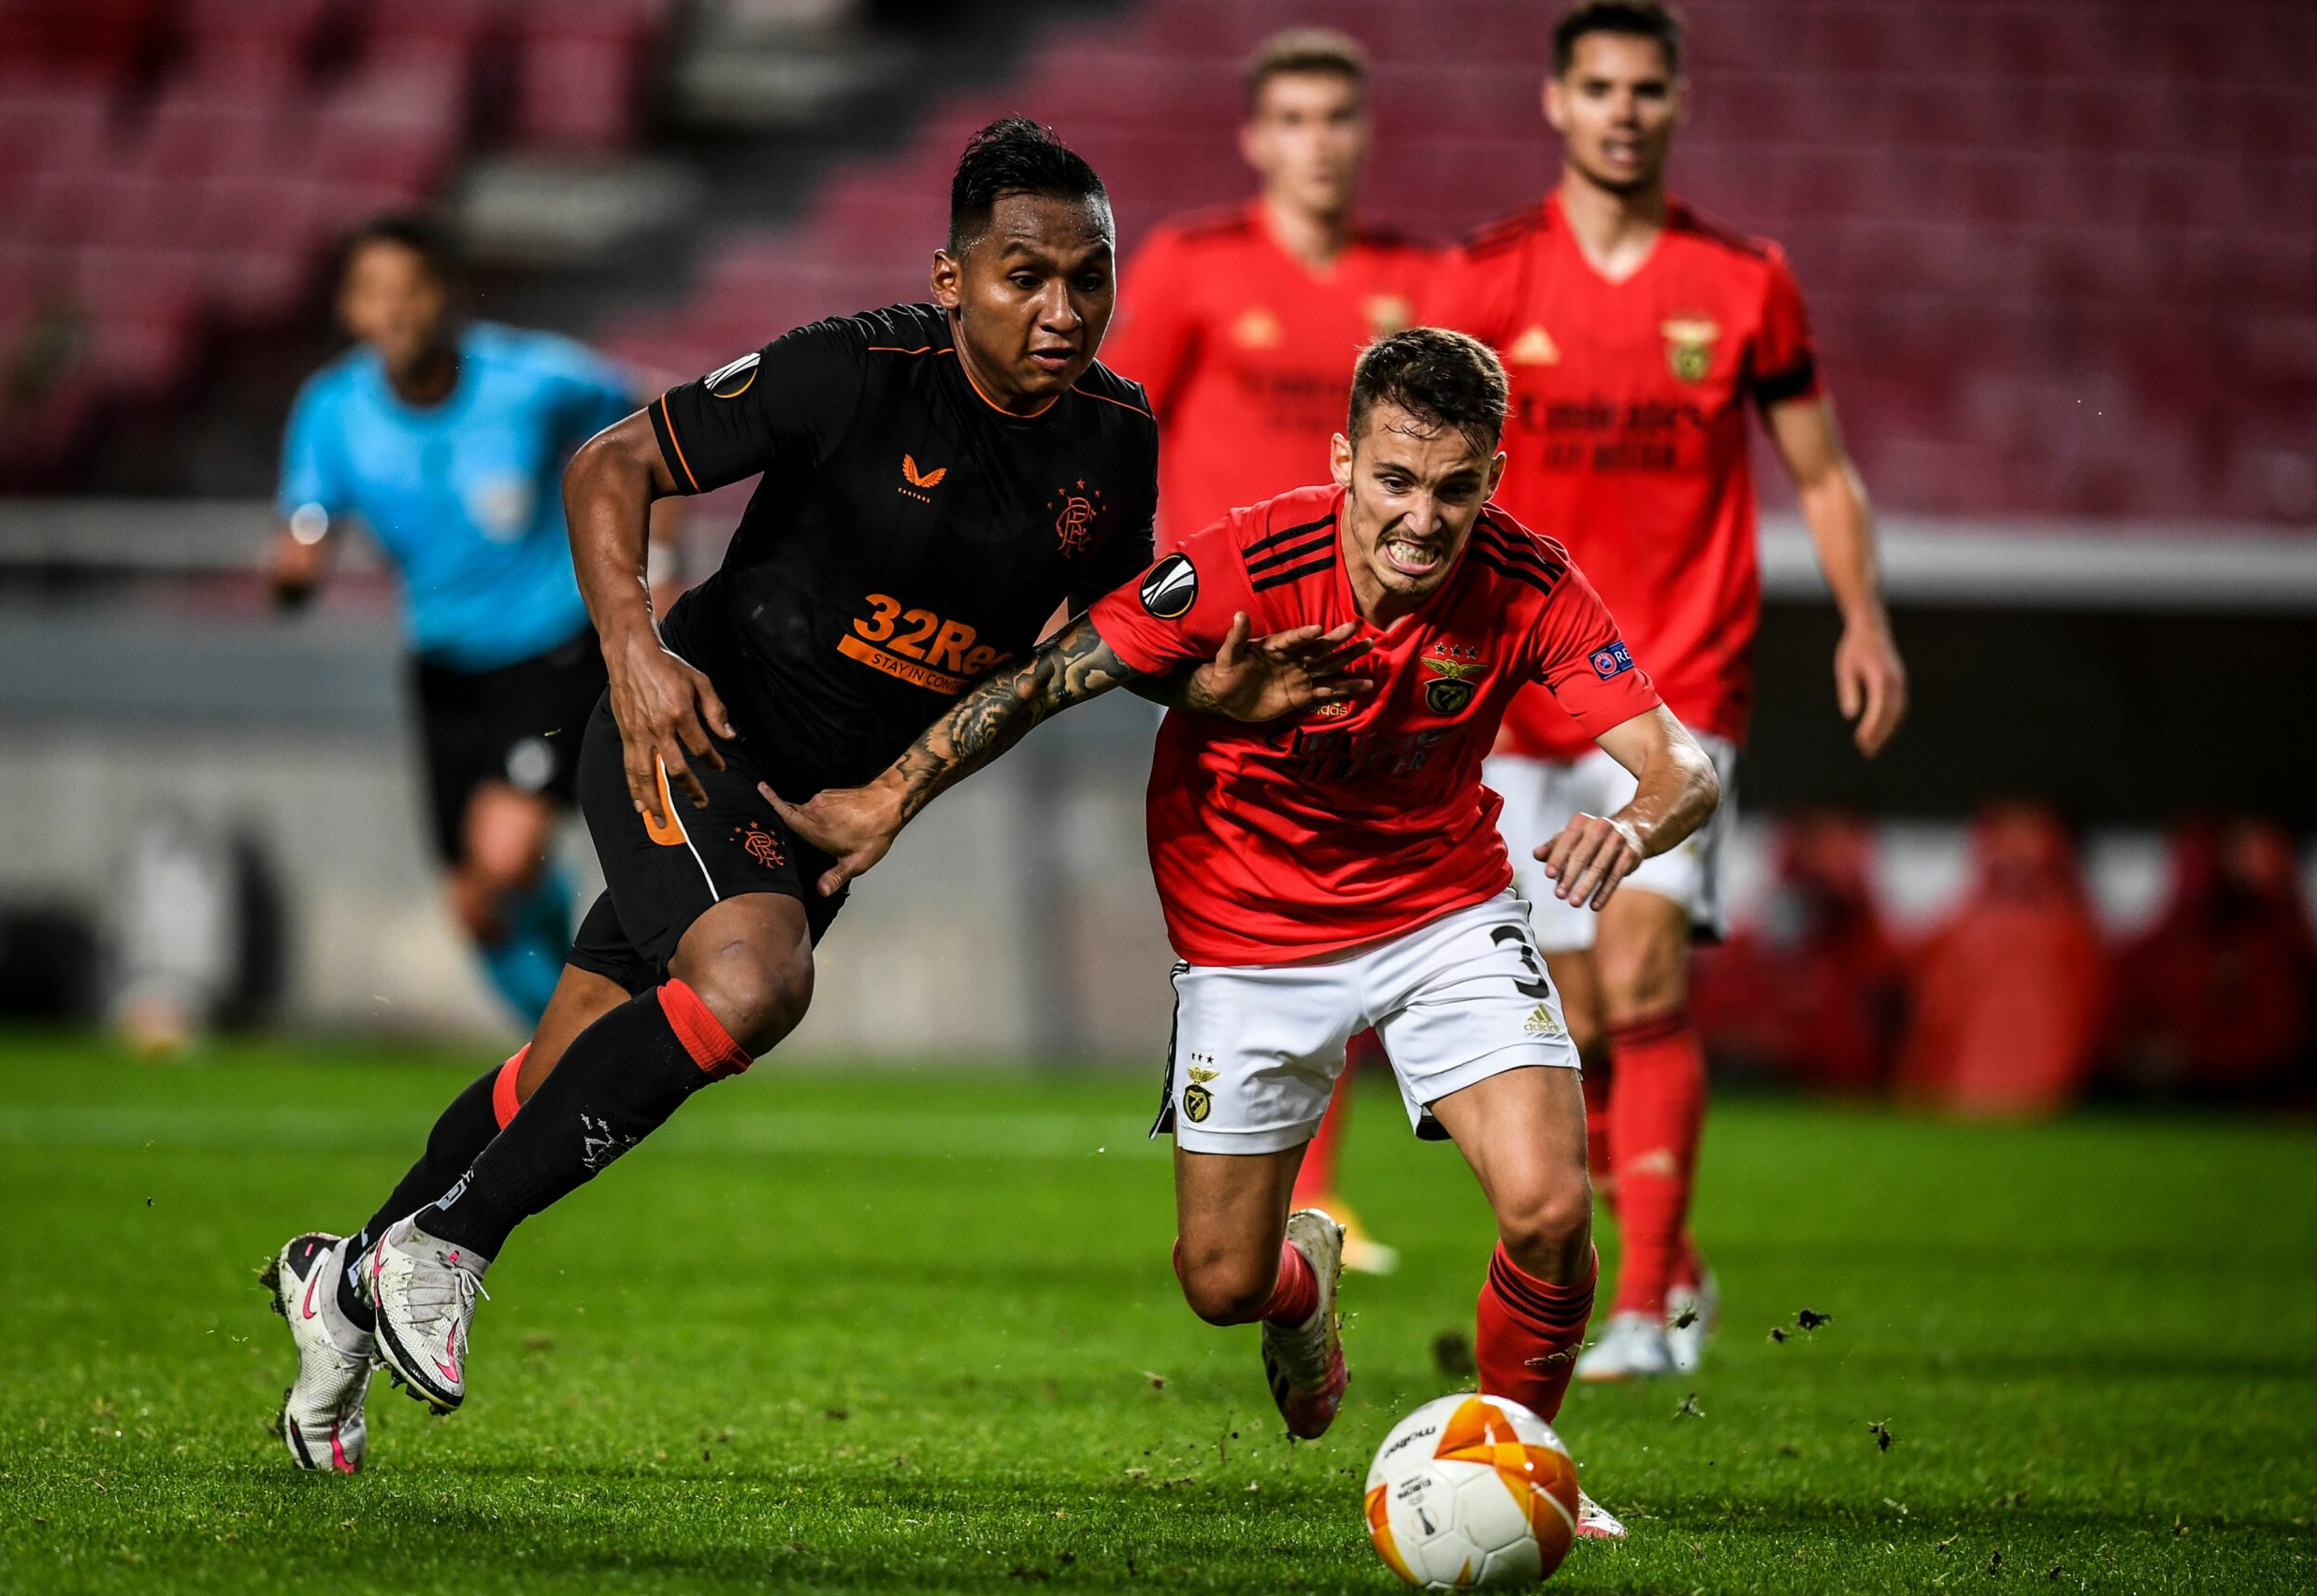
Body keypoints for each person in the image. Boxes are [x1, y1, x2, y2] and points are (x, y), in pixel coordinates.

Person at [259, 119, 1344, 1474]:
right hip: (690, 729)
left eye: (1090, 276)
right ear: (952, 278)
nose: (1062, 309)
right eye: (1024, 275)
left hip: (817, 814)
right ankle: (443, 1249)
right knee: (757, 978)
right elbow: (609, 463)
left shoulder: (1114, 440)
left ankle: (344, 1278)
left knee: (561, 1066)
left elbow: (1097, 638)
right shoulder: (853, 369)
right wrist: (636, 652)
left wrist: (1203, 693)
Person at [769, 328, 1722, 1543]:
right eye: (1394, 477)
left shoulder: (1527, 580)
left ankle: (1525, 1464)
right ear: (1343, 460)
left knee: (1547, 1207)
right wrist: (888, 796)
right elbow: (1055, 674)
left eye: (1455, 486)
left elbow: (1678, 760)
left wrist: (1635, 827)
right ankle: (1301, 1278)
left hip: (1443, 906)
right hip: (1248, 931)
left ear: (1492, 478)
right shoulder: (1246, 564)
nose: (1423, 518)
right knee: (1221, 1279)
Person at [1430, 0, 1907, 1380]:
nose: (1624, 110)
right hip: (1518, 700)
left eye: (1648, 88)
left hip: (1681, 682)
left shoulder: (1745, 280)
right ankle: (1669, 1252)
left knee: (1639, 970)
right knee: (1566, 1015)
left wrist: (1865, 618)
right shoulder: (1488, 281)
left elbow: (1820, 470)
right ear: (1556, 104)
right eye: (1600, 87)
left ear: (1677, 104)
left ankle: (1642, 1311)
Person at [1099, 25, 1444, 1277]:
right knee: (1261, 911)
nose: (1318, 142)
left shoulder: (1419, 278)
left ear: (1365, 134)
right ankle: (1256, 1167)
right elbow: (1115, 428)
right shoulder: (1196, 266)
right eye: (1293, 119)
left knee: (1335, 899)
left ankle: (1314, 1188)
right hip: (1227, 646)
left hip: (1372, 644)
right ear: (1257, 137)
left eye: (1337, 119)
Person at [269, 214, 660, 1029]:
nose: (395, 310)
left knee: (504, 854)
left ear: (446, 295)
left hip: (552, 645)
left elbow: (651, 418)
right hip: (443, 664)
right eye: (374, 292)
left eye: (410, 289)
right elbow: (307, 519)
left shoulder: (530, 378)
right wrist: (296, 567)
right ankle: (572, 1040)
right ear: (349, 308)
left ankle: (588, 1037)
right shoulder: (333, 409)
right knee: (475, 904)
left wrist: (665, 554)